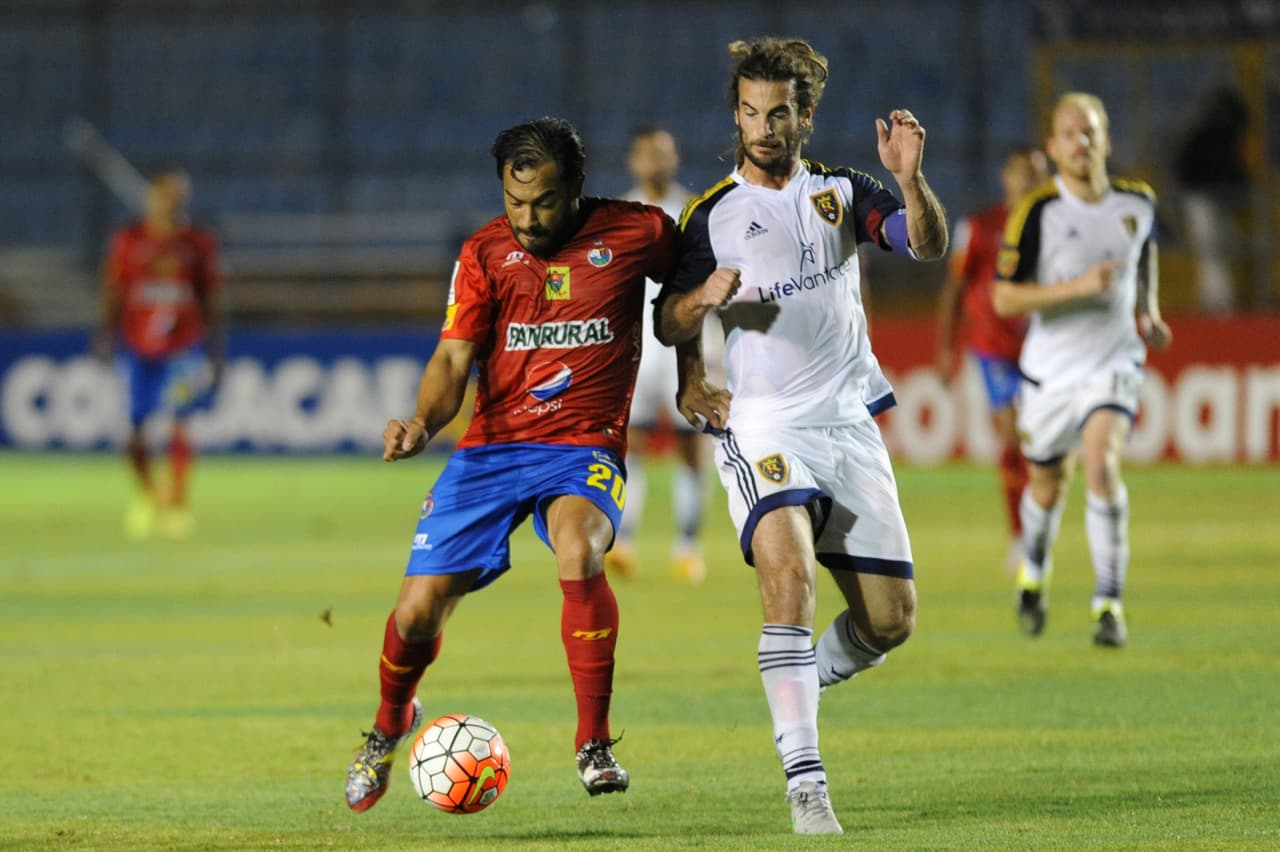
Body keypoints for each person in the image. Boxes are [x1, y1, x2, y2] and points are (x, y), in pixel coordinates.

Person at [344, 117, 680, 812]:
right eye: (514, 201)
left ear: (578, 189)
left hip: (581, 444)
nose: (527, 219)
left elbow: (689, 298)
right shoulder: (483, 254)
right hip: (492, 449)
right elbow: (452, 358)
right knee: (415, 614)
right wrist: (422, 421)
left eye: (545, 203)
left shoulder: (639, 233)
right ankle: (387, 726)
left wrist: (698, 369)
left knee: (579, 548)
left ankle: (593, 743)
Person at [654, 38, 947, 835]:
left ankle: (797, 684)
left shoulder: (845, 193)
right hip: (763, 424)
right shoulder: (711, 214)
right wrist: (698, 323)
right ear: (737, 115)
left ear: (805, 115)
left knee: (890, 623)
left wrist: (910, 182)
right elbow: (668, 317)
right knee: (788, 583)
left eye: (778, 112)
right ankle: (805, 783)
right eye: (749, 112)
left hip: (847, 424)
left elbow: (924, 244)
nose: (763, 126)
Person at [993, 92, 1171, 647]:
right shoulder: (1037, 212)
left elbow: (1144, 254)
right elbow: (1003, 299)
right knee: (1046, 486)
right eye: (1069, 134)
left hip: (1114, 362)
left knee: (1102, 462)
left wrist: (1148, 310)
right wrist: (1079, 287)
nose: (1081, 143)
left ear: (1107, 140)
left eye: (1090, 132)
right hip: (1050, 372)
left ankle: (1109, 603)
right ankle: (1035, 573)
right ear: (1054, 146)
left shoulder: (1138, 202)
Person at [936, 147, 1051, 573]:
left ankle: (1032, 528)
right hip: (994, 347)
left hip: (1044, 348)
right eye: (1022, 173)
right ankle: (1021, 537)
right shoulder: (980, 229)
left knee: (1038, 443)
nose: (1029, 182)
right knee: (1014, 434)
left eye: (1037, 174)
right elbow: (953, 290)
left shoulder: (1057, 226)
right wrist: (944, 349)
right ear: (1006, 178)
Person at [97, 168, 222, 541]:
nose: (174, 200)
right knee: (134, 430)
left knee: (180, 422)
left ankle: (178, 505)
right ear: (152, 195)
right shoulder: (129, 240)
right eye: (168, 192)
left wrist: (216, 349)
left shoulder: (196, 242)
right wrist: (103, 334)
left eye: (180, 194)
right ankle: (148, 495)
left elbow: (210, 297)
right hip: (137, 346)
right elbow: (113, 290)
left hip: (183, 346)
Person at [610, 124, 708, 583]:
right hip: (639, 348)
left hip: (685, 342)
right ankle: (624, 543)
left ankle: (688, 546)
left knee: (691, 446)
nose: (654, 160)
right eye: (646, 152)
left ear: (675, 159)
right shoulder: (618, 215)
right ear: (634, 161)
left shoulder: (694, 212)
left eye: (662, 152)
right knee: (632, 446)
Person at [1172, 84, 1253, 314]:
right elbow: (1186, 168)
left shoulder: (1224, 134)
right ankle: (1217, 306)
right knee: (1211, 255)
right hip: (1200, 200)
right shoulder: (1203, 134)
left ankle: (1218, 304)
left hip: (1220, 200)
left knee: (1220, 254)